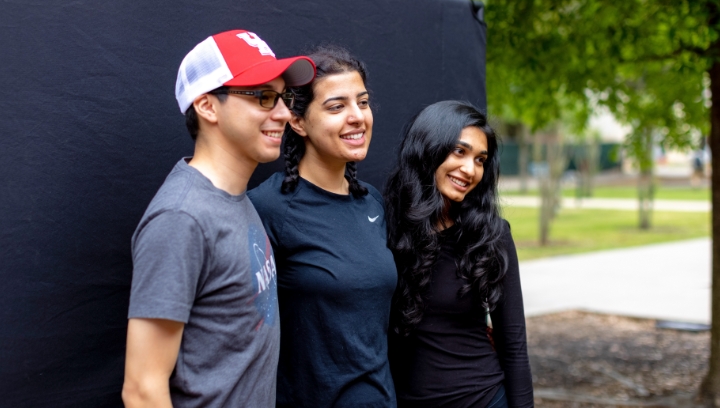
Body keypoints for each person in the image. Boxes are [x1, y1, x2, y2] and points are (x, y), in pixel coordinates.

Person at [122, 30, 315, 408]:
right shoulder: (181, 217)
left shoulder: (234, 200)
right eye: (263, 97)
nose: (284, 113)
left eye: (283, 98)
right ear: (207, 106)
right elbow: (143, 389)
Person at [249, 46, 397, 408]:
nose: (357, 117)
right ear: (297, 122)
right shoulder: (266, 208)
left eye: (362, 102)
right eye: (337, 107)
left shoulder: (372, 203)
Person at [385, 101, 533, 408]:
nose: (470, 170)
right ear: (428, 149)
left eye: (480, 160)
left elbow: (513, 344)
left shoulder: (491, 235)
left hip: (483, 399)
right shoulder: (384, 226)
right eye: (459, 151)